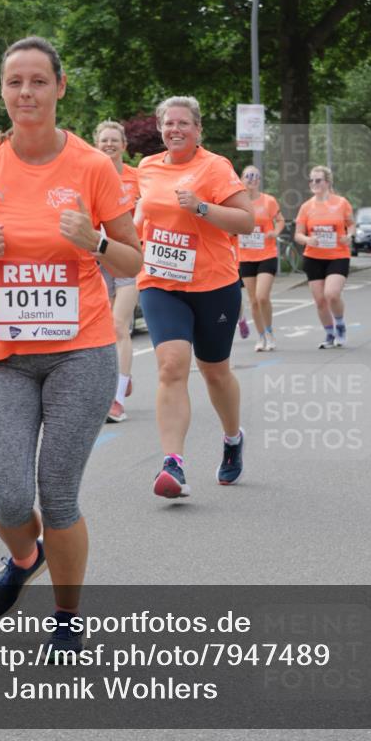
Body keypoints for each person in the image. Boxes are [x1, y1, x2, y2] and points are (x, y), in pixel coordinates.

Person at [0, 36, 141, 655]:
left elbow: (135, 258)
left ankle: (66, 614)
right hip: (3, 355)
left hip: (80, 351)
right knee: (7, 498)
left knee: (57, 494)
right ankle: (23, 556)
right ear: (2, 92)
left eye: (37, 81)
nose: (25, 93)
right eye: (14, 83)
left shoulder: (92, 167)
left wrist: (96, 242)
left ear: (60, 87)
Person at [134, 96, 254, 499]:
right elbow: (140, 216)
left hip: (213, 283)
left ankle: (232, 438)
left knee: (215, 370)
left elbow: (246, 220)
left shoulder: (215, 167)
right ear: (161, 128)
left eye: (184, 123)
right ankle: (174, 464)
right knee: (171, 366)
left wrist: (201, 207)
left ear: (198, 129)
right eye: (169, 124)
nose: (176, 130)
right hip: (160, 281)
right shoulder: (147, 168)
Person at [93, 120, 140, 423]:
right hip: (97, 259)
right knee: (102, 334)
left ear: (124, 146)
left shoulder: (139, 178)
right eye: (103, 141)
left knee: (118, 326)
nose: (109, 145)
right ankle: (123, 375)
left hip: (128, 261)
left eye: (114, 140)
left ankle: (117, 398)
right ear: (96, 145)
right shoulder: (90, 175)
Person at [294, 165, 355, 348]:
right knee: (320, 300)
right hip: (313, 257)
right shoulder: (306, 207)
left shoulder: (341, 203)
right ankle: (329, 333)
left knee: (332, 294)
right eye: (311, 180)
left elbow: (351, 224)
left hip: (338, 254)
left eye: (318, 180)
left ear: (327, 182)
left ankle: (341, 325)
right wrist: (307, 239)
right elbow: (298, 234)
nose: (314, 183)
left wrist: (349, 236)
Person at [237, 166, 285, 351]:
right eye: (248, 176)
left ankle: (270, 332)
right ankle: (261, 336)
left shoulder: (269, 201)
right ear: (241, 179)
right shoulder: (237, 203)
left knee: (262, 296)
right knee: (253, 300)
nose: (252, 179)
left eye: (256, 176)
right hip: (246, 256)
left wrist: (275, 232)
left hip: (267, 254)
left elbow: (280, 220)